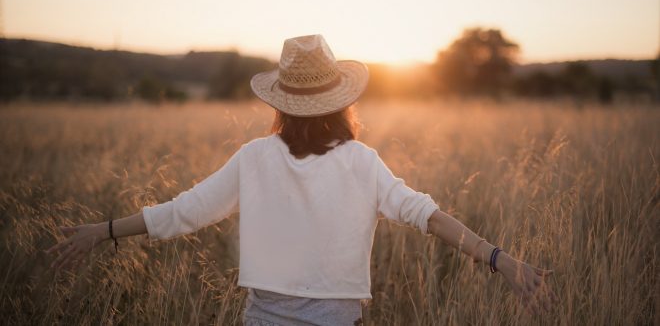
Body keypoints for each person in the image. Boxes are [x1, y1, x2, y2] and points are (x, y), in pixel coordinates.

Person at [46, 35, 556, 325]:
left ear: (282, 104)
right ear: (343, 102)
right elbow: (429, 216)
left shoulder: (254, 157)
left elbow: (183, 212)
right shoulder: (363, 161)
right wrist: (499, 259)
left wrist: (103, 231)